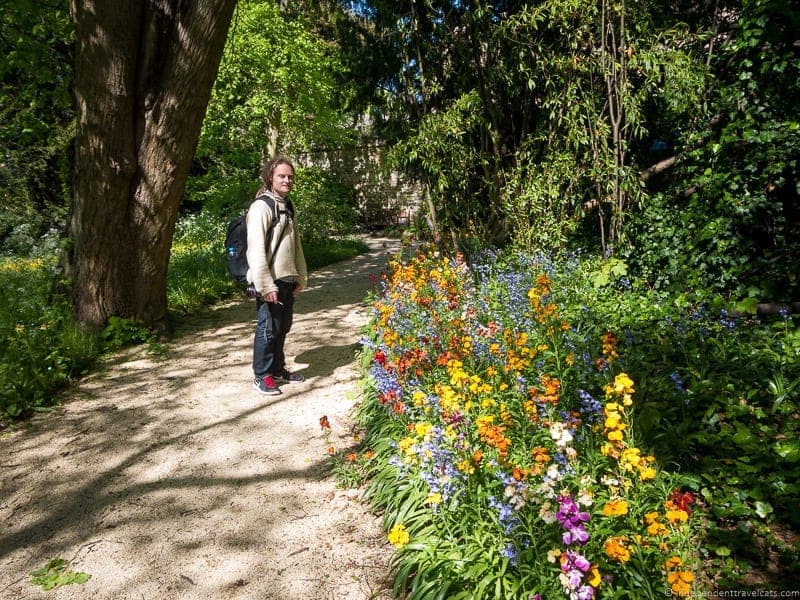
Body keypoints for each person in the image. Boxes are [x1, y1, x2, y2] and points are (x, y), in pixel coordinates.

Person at [246, 156, 308, 395]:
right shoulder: (261, 207)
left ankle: (278, 368)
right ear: (270, 177)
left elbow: (297, 246)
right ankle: (262, 375)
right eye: (282, 176)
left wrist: (301, 277)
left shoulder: (288, 206)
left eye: (290, 176)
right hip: (269, 280)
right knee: (268, 328)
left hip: (287, 278)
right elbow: (255, 249)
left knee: (283, 327)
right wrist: (265, 284)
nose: (287, 180)